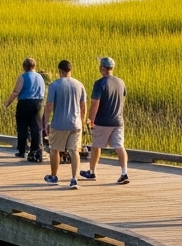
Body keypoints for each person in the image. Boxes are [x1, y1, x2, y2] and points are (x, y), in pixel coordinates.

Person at [84, 56, 130, 184]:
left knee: (96, 146)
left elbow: (95, 104)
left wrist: (91, 119)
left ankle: (92, 171)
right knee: (119, 146)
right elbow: (123, 101)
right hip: (118, 121)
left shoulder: (100, 83)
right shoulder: (121, 82)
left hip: (103, 121)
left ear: (102, 68)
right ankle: (124, 172)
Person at [43, 59, 86, 189]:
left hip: (59, 123)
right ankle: (74, 179)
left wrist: (45, 122)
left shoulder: (54, 85)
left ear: (60, 71)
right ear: (70, 70)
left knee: (55, 149)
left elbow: (49, 105)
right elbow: (83, 106)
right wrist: (82, 122)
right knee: (74, 151)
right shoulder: (79, 85)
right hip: (76, 123)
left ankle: (54, 176)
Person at [4, 57, 46, 162]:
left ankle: (22, 150)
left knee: (22, 127)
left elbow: (16, 92)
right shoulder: (40, 77)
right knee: (36, 128)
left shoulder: (22, 77)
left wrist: (7, 103)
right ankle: (35, 150)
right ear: (34, 66)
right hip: (38, 103)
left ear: (24, 67)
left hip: (24, 103)